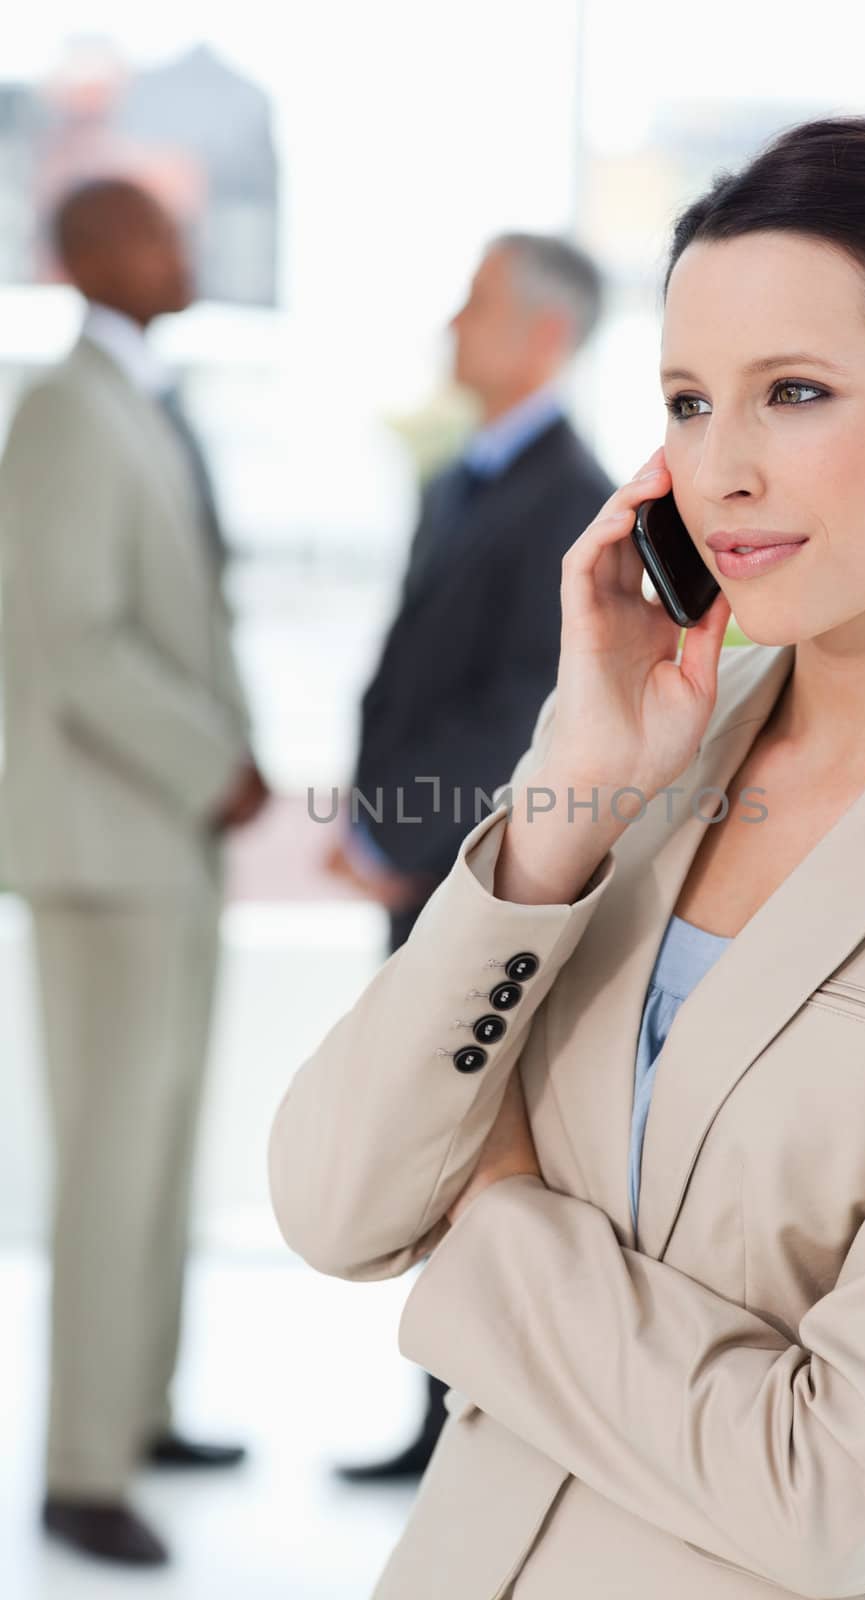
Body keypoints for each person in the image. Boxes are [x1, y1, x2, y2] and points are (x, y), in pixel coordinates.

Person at [267, 114, 865, 1599]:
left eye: (796, 393)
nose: (721, 469)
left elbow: (829, 1495)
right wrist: (569, 794)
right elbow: (331, 1200)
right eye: (688, 402)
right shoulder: (645, 760)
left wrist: (490, 1220)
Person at [0, 177, 269, 1569]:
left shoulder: (139, 401)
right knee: (108, 1167)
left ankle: (140, 1409)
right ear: (88, 253)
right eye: (161, 229)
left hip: (159, 845)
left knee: (158, 1157)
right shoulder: (61, 412)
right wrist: (210, 761)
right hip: (107, 846)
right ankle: (78, 1468)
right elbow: (73, 639)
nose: (188, 245)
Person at [326, 232, 613, 1479]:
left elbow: (524, 705)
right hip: (423, 868)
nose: (450, 322)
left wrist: (397, 826)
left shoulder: (574, 494)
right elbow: (415, 674)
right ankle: (434, 1424)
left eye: (478, 303)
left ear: (543, 337)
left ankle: (474, 1434)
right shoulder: (460, 479)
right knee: (425, 1137)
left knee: (485, 1145)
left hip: (486, 873)